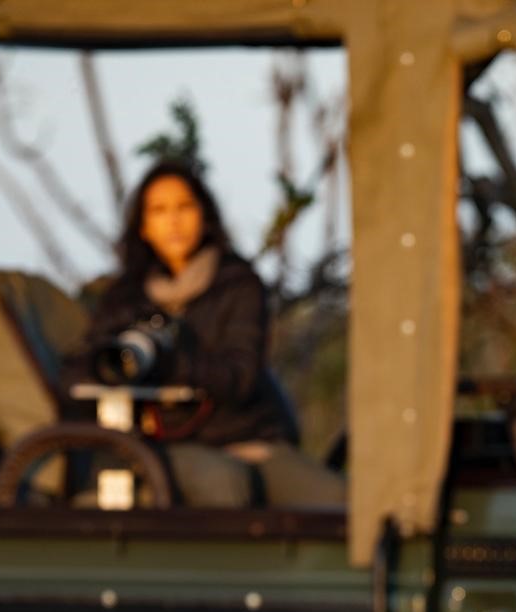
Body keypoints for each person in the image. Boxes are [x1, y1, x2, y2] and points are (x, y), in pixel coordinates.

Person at [61, 160, 344, 508]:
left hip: (249, 439)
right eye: (159, 211)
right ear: (143, 226)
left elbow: (240, 377)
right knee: (224, 486)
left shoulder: (238, 283)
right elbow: (77, 375)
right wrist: (109, 365)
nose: (174, 221)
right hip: (162, 446)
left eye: (184, 207)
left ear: (204, 214)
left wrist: (172, 363)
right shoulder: (124, 296)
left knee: (340, 504)